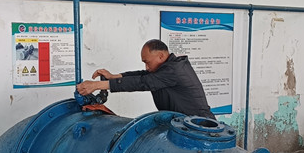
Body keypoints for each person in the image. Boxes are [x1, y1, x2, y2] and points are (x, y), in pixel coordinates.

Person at [76, 39, 215, 119]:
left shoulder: (174, 70)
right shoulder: (168, 67)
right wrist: (115, 76)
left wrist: (98, 85)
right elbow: (144, 75)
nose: (146, 67)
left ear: (161, 56)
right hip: (184, 123)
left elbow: (143, 82)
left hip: (199, 126)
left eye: (147, 62)